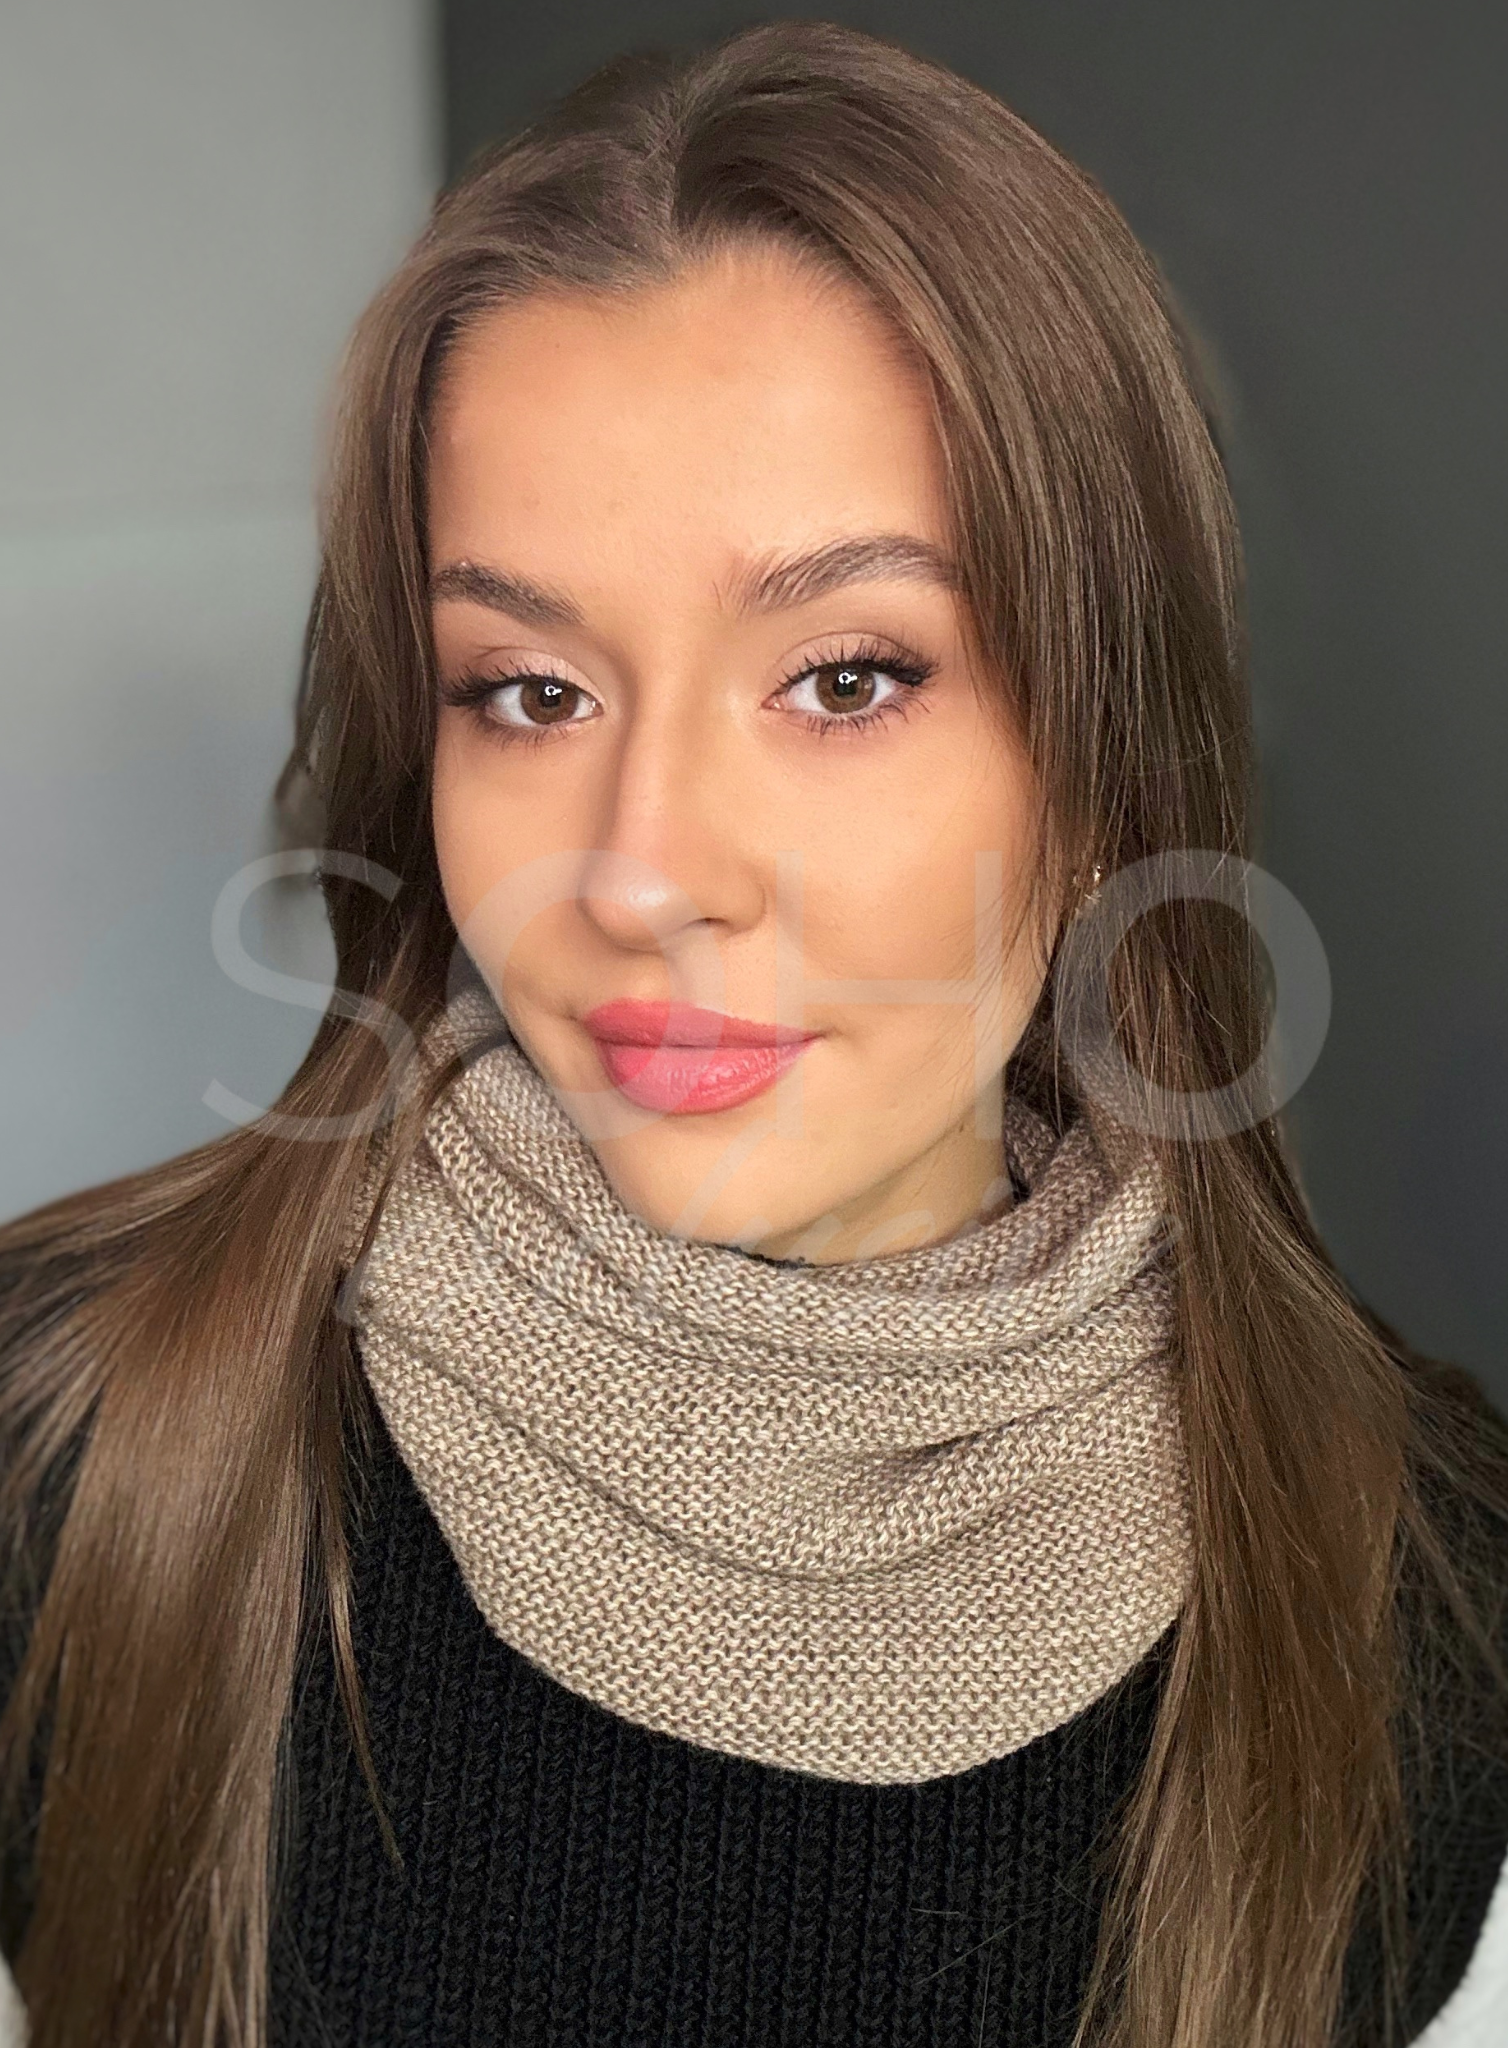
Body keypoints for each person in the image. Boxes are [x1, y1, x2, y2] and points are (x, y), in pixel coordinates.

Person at [2, 21, 1506, 2048]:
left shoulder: (1431, 1590)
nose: (641, 874)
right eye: (529, 692)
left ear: (1099, 764)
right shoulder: (62, 1454)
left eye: (845, 678)